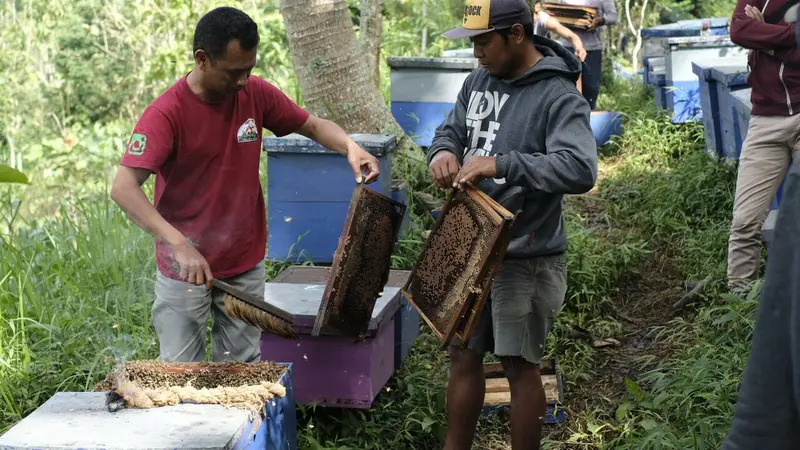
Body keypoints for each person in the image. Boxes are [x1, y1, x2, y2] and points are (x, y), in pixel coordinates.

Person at [110, 6, 380, 363]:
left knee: (243, 370)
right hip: (184, 268)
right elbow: (123, 188)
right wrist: (178, 242)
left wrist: (350, 146)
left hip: (243, 263)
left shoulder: (255, 94)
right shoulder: (165, 114)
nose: (242, 81)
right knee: (178, 372)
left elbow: (311, 125)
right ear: (202, 59)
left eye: (249, 70)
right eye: (234, 72)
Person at [430, 1, 597, 448]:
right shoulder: (478, 80)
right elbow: (450, 132)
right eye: (473, 43)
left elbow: (580, 169)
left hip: (526, 254)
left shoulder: (559, 96)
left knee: (518, 366)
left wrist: (501, 165)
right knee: (463, 357)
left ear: (518, 35)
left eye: (484, 42)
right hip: (472, 246)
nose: (477, 53)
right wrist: (443, 153)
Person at [725, 0, 799, 296]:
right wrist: (789, 34)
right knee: (744, 220)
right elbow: (740, 30)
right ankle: (739, 300)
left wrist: (765, 35)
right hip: (765, 118)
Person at [551, 0, 618, 110]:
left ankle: (588, 117)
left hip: (592, 49)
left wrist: (601, 20)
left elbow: (613, 17)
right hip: (568, 48)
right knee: (567, 87)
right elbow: (557, 14)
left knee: (591, 88)